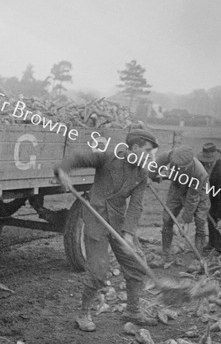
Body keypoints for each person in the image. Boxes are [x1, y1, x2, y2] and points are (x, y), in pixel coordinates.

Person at [54, 129, 159, 331]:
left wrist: (128, 233)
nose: (149, 157)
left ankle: (133, 310)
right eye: (147, 151)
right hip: (95, 219)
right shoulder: (110, 157)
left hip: (119, 223)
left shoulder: (141, 173)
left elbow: (136, 205)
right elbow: (77, 158)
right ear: (135, 147)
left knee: (136, 264)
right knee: (98, 271)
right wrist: (63, 171)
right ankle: (83, 313)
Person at [154, 145, 210, 259]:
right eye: (177, 166)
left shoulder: (200, 173)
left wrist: (186, 221)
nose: (179, 168)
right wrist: (150, 177)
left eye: (183, 167)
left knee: (200, 220)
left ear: (190, 162)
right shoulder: (172, 155)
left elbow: (192, 198)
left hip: (199, 192)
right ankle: (166, 253)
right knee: (167, 217)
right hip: (177, 186)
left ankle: (198, 256)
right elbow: (158, 163)